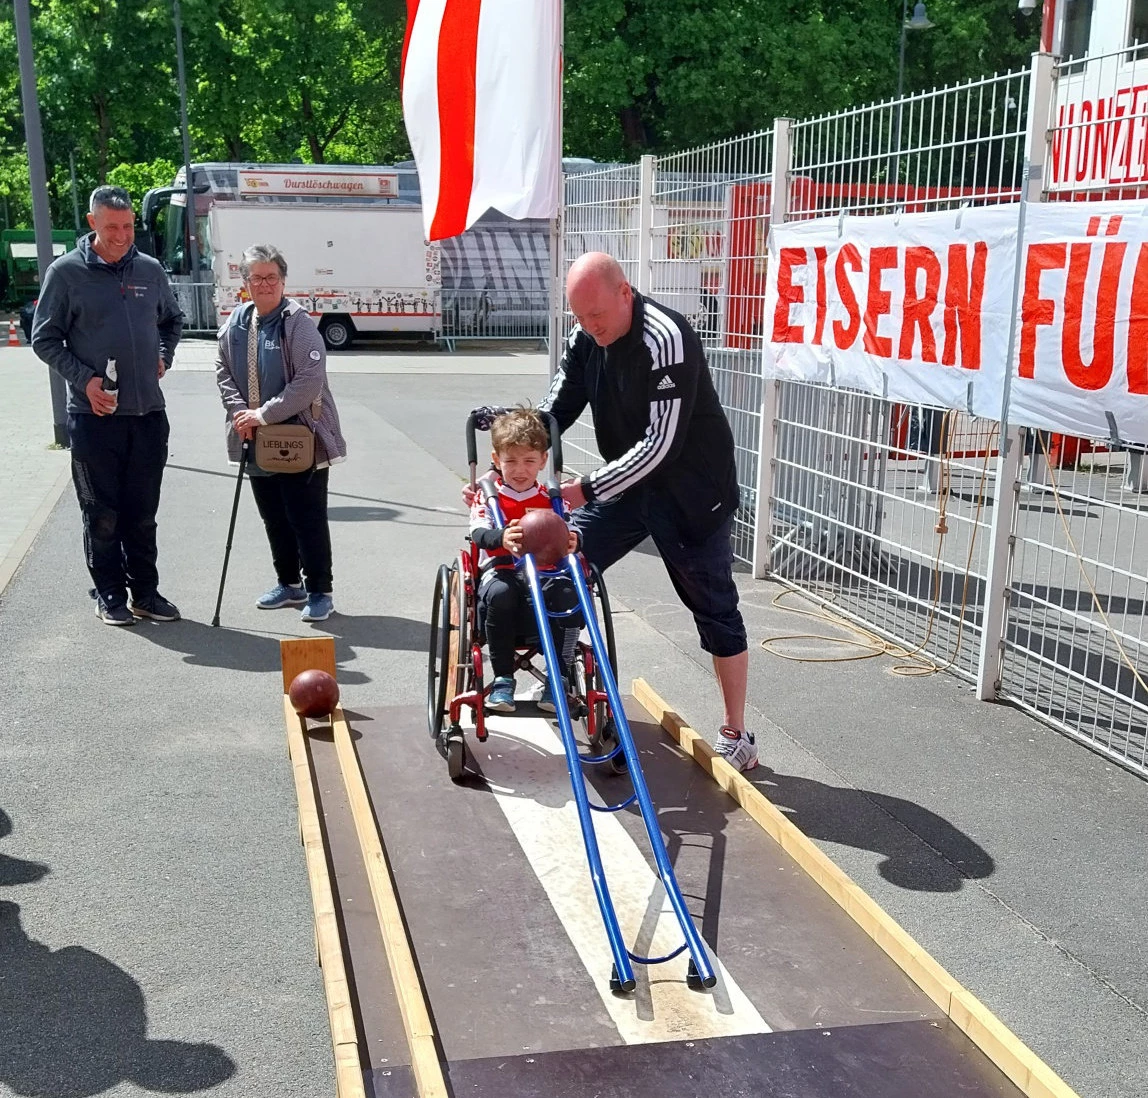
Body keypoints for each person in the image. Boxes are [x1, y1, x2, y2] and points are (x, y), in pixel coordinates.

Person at [547, 251, 757, 770]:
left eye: (598, 315)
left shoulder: (666, 336)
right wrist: (511, 461)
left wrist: (587, 488)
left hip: (691, 491)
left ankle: (738, 733)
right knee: (561, 562)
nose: (590, 327)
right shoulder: (584, 338)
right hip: (627, 487)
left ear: (625, 293)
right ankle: (564, 676)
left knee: (715, 610)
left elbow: (662, 444)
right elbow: (554, 411)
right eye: (580, 317)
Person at [31, 185, 183, 626]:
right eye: (112, 227)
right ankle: (110, 593)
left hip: (148, 415)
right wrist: (86, 380)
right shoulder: (66, 273)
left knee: (143, 516)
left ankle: (146, 594)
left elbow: (172, 320)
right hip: (94, 418)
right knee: (102, 515)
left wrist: (164, 355)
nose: (121, 236)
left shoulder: (149, 270)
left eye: (128, 226)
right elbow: (44, 338)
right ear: (92, 223)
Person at [214, 244, 347, 623]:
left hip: (301, 437)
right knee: (273, 516)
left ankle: (320, 590)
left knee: (307, 517)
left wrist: (262, 414)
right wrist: (240, 414)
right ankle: (288, 583)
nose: (265, 284)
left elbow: (309, 381)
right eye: (257, 277)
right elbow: (223, 371)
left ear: (283, 281)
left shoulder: (297, 323)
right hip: (255, 438)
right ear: (245, 282)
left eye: (271, 277)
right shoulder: (237, 323)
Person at [470, 409, 581, 713]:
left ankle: (558, 677)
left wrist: (574, 541)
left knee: (568, 595)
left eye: (529, 461)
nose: (520, 470)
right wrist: (501, 537)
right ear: (497, 459)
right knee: (500, 594)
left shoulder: (553, 499)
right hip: (502, 570)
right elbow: (478, 532)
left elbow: (572, 530)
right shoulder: (488, 496)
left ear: (543, 460)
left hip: (547, 572)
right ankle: (503, 678)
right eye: (511, 461)